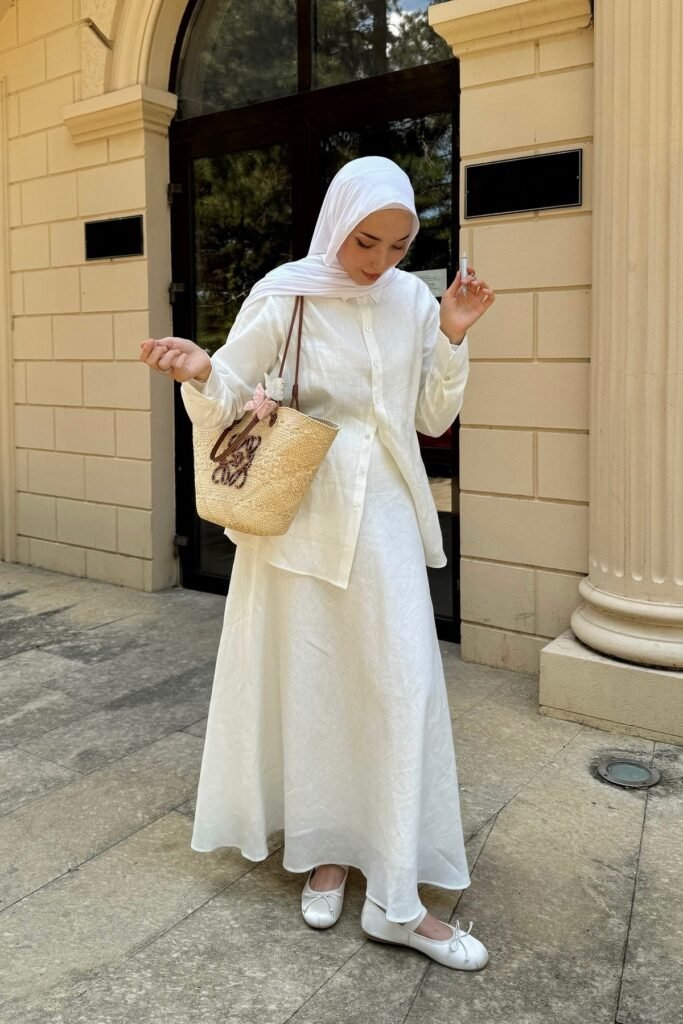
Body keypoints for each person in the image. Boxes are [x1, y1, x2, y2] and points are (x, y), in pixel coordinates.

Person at [139, 157, 495, 971]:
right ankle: (325, 848)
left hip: (386, 522)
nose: (377, 261)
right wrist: (200, 372)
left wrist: (451, 332)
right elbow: (229, 382)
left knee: (400, 684)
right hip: (298, 512)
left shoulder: (409, 300)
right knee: (314, 681)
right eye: (365, 241)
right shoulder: (285, 290)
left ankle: (397, 900)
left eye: (397, 246)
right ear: (337, 222)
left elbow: (432, 413)